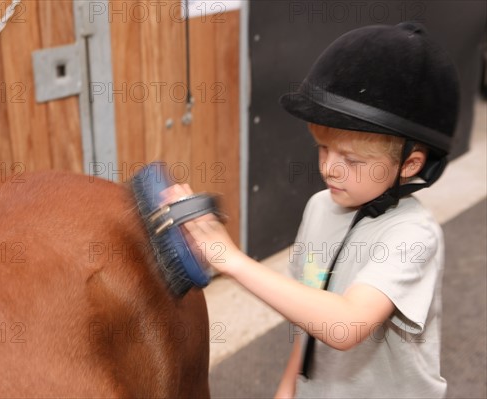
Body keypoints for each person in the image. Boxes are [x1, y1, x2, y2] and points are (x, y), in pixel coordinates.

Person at [162, 22, 460, 398]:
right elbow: (313, 314)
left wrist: (231, 259)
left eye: (351, 159)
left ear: (410, 164)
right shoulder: (320, 207)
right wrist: (290, 387)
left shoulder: (414, 236)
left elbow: (344, 325)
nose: (329, 169)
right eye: (322, 148)